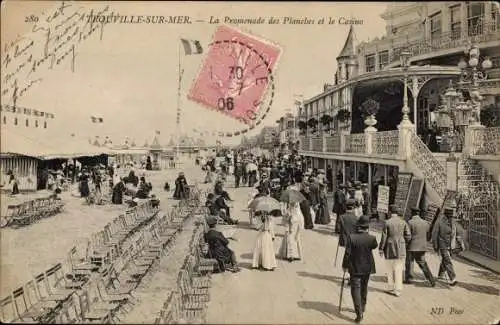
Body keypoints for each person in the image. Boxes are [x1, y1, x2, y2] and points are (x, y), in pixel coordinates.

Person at [342, 215, 378, 323]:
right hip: (367, 267)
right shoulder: (372, 238)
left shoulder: (352, 237)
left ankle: (359, 313)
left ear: (358, 226)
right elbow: (374, 246)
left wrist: (344, 265)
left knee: (355, 290)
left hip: (355, 267)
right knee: (364, 287)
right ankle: (363, 307)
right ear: (367, 227)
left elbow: (347, 254)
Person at [378, 204, 411, 297]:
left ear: (390, 212)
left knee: (389, 268)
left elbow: (384, 237)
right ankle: (398, 290)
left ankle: (391, 287)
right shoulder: (403, 222)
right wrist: (404, 242)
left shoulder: (387, 222)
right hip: (401, 247)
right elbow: (408, 235)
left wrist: (381, 248)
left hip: (389, 247)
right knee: (399, 268)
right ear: (397, 213)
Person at [432, 207, 465, 286]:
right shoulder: (439, 222)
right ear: (445, 215)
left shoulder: (453, 223)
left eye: (451, 216)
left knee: (445, 259)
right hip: (442, 244)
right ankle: (453, 279)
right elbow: (434, 234)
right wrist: (435, 246)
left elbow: (457, 234)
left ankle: (440, 274)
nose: (451, 217)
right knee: (448, 261)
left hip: (451, 245)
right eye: (449, 216)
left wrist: (461, 244)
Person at [405, 207, 436, 286]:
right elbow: (429, 235)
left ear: (412, 213)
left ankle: (409, 278)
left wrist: (406, 243)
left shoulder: (410, 222)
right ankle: (431, 280)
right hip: (422, 247)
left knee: (409, 262)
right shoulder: (425, 223)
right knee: (423, 263)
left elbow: (408, 236)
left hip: (411, 246)